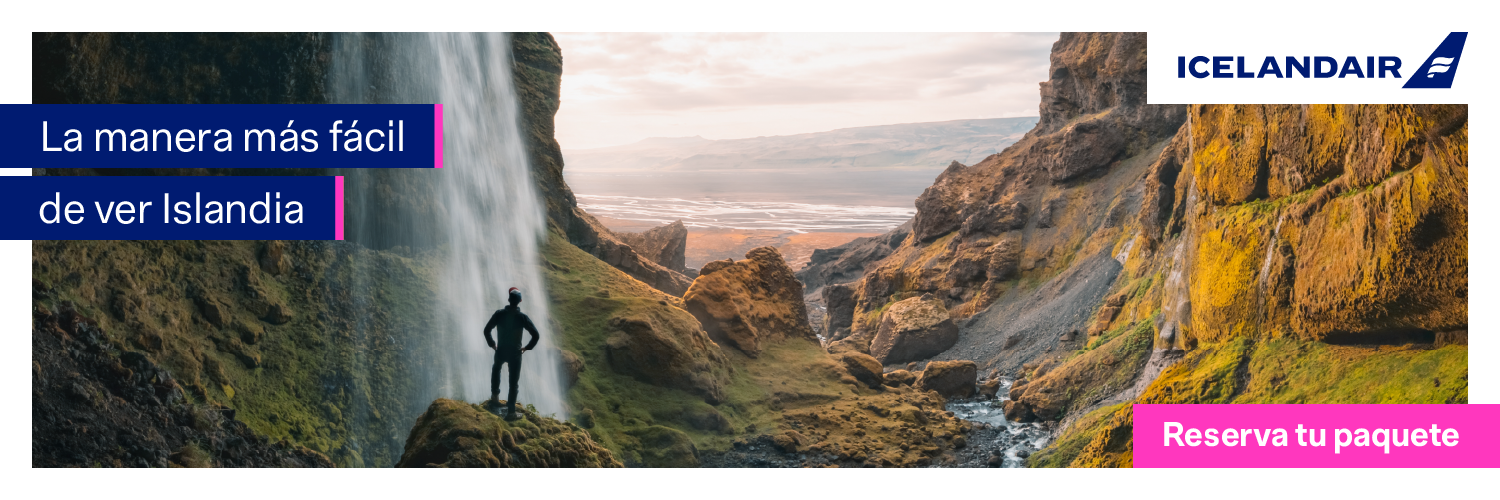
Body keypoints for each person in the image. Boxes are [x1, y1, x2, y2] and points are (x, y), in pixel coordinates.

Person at [483, 287, 539, 421]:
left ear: (508, 300)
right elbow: (536, 335)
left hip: (500, 351)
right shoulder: (522, 317)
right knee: (513, 383)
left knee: (496, 369)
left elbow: (486, 330)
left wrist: (492, 344)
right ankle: (511, 412)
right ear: (520, 301)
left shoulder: (499, 314)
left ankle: (495, 397)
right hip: (515, 354)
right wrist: (526, 347)